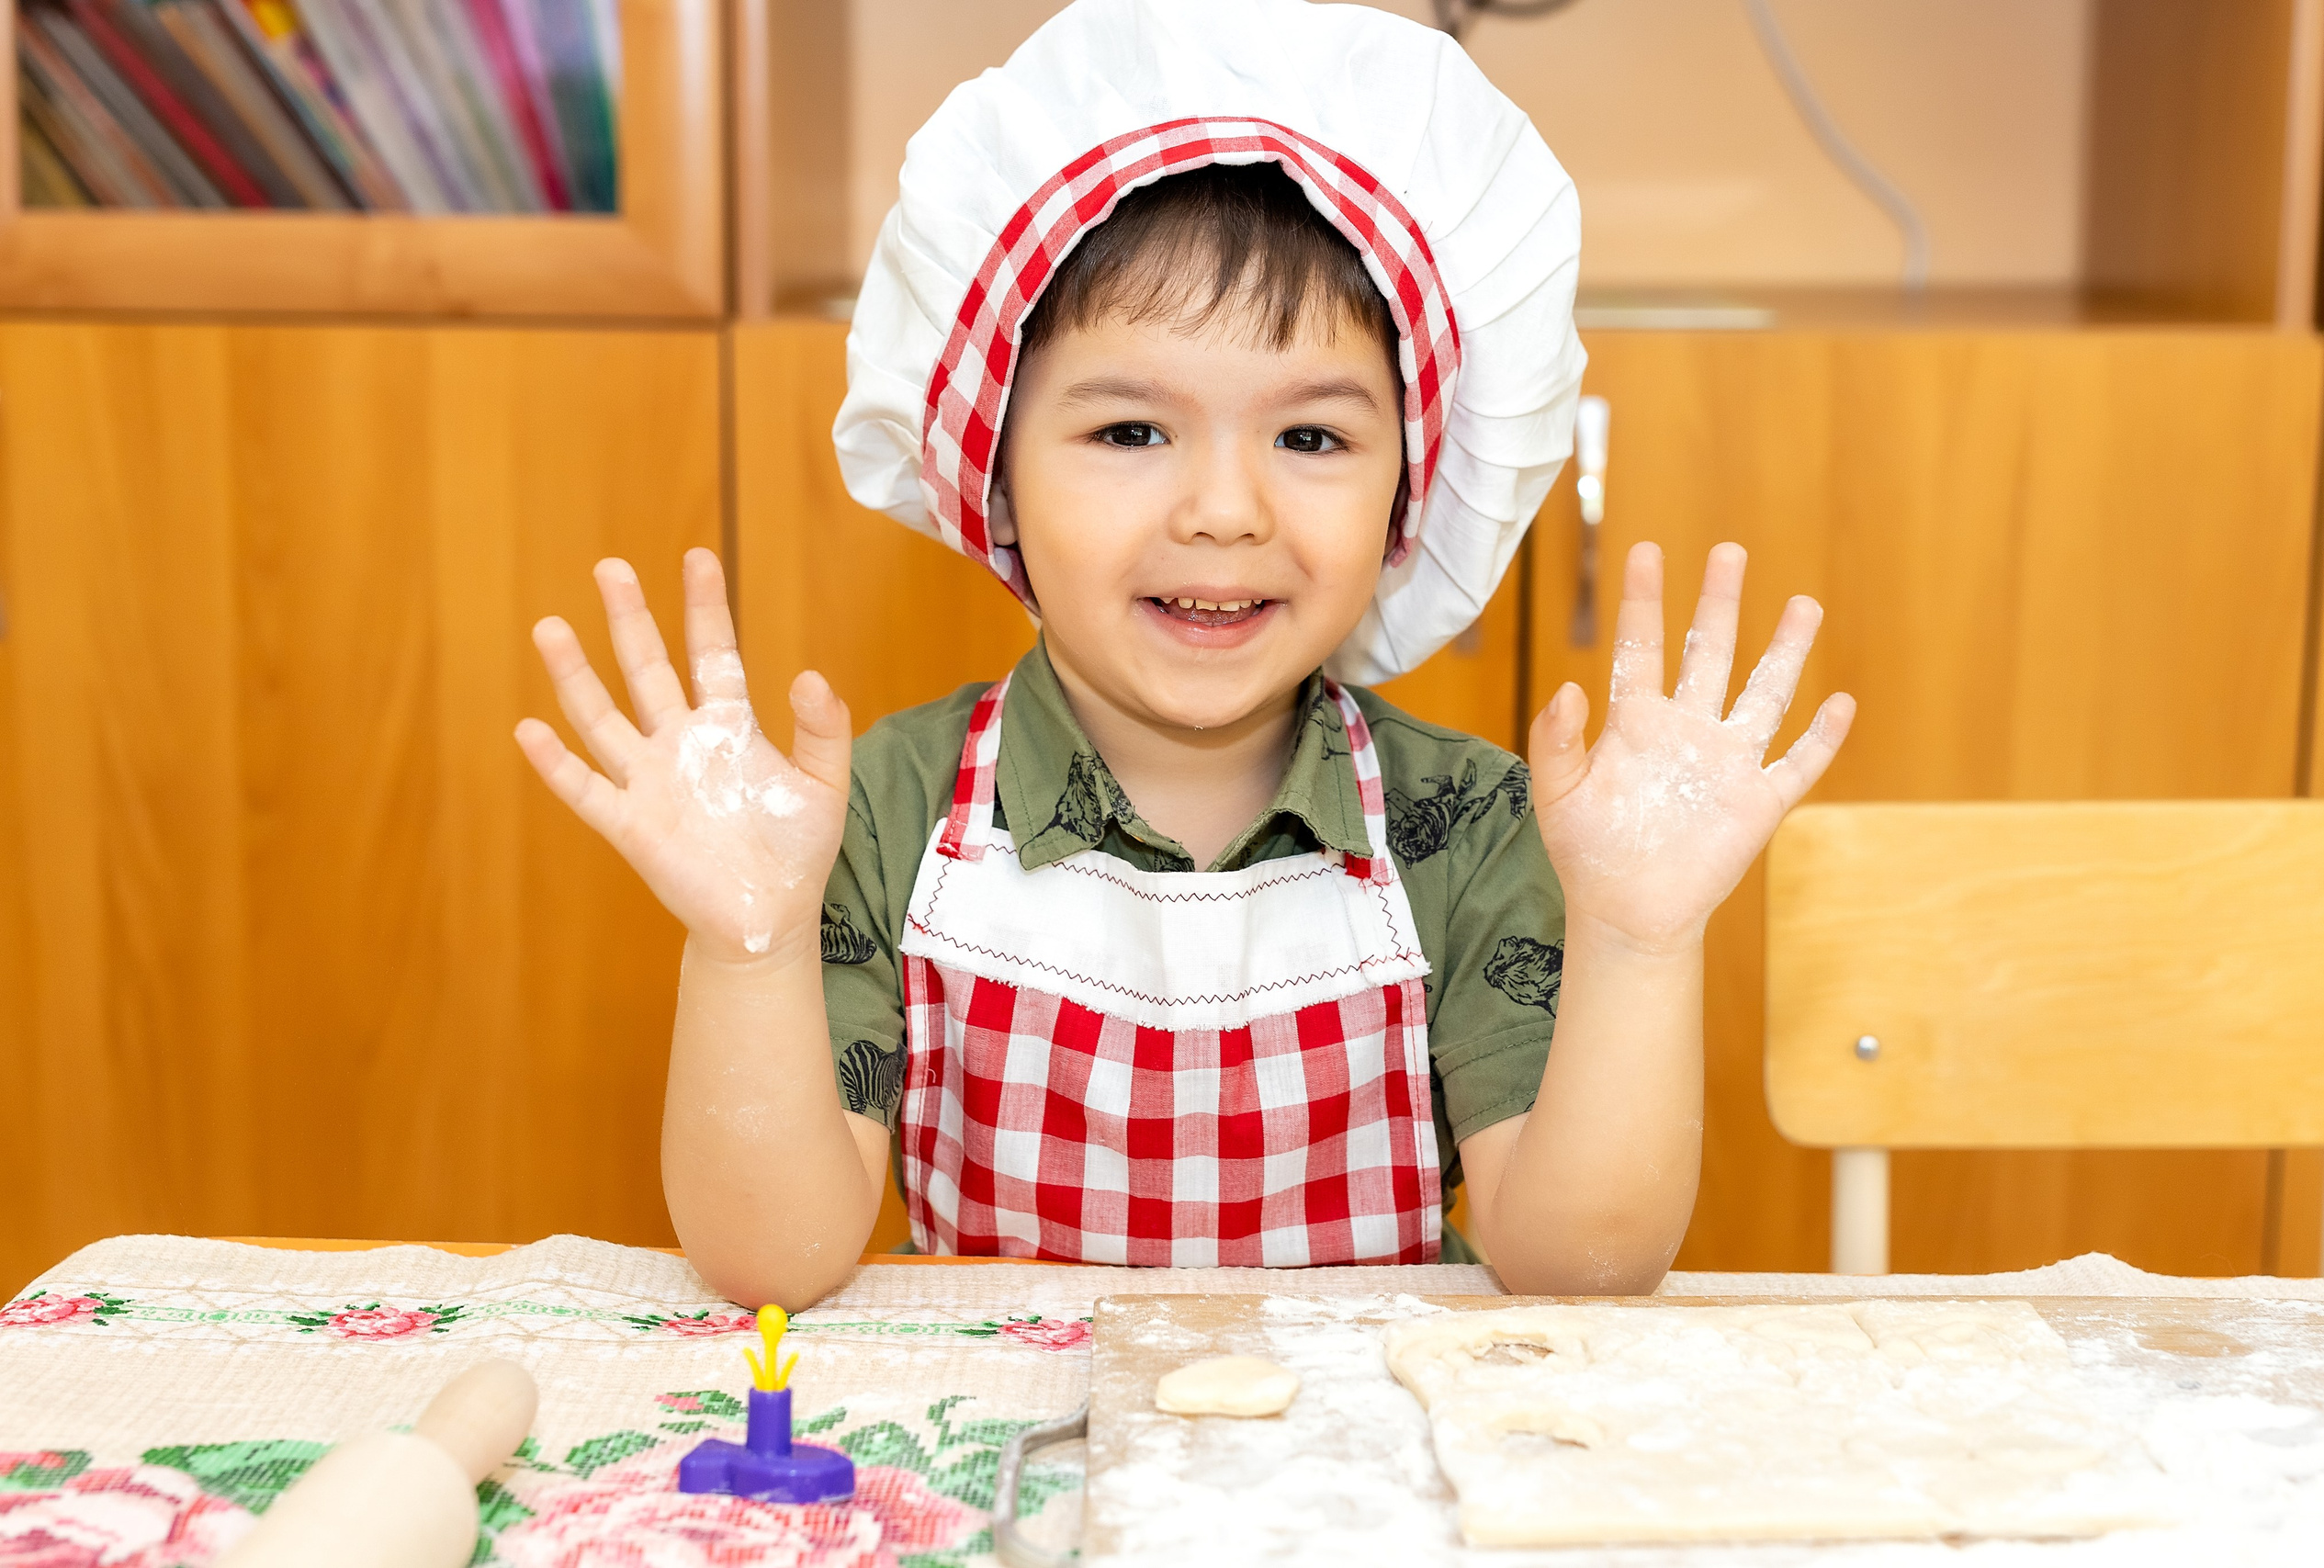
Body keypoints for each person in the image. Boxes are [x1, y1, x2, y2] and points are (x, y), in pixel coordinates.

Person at [513, 0, 1854, 1308]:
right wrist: (748, 950)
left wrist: (1636, 942)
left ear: (1406, 494)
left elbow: (1581, 1265)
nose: (1224, 510)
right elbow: (773, 1263)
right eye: (1131, 433)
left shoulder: (1469, 829)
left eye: (1311, 437)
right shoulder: (878, 814)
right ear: (993, 480)